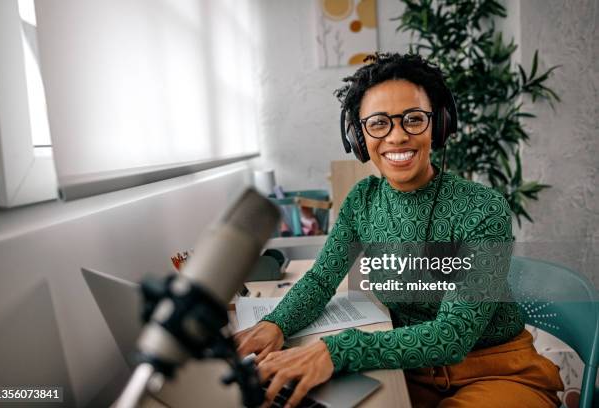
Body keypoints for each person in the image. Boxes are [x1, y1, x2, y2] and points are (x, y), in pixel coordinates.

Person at [235, 53, 563, 408]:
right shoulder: (362, 200)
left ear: (437, 126)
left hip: (497, 371)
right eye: (378, 123)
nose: (397, 136)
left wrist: (335, 350)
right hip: (412, 369)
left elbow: (454, 335)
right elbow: (320, 281)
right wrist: (276, 324)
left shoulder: (483, 209)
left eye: (413, 119)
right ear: (357, 136)